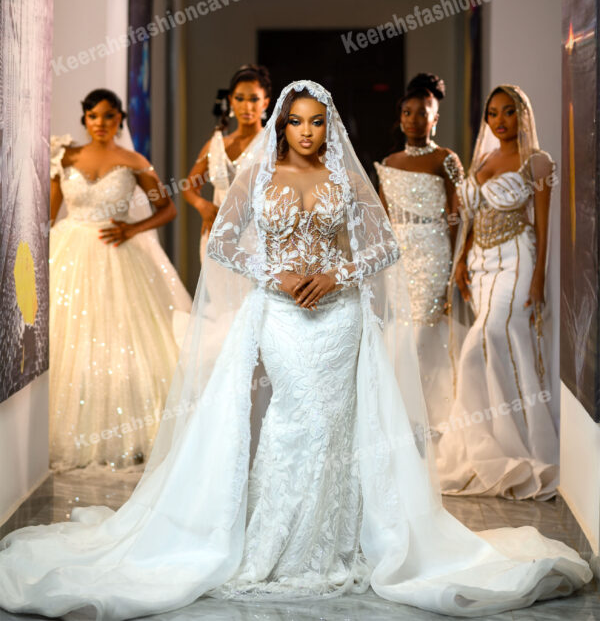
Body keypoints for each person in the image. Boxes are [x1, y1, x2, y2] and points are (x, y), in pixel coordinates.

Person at [0, 81, 590, 619]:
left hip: (340, 316)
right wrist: (275, 274)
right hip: (280, 315)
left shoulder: (344, 179)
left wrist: (337, 275)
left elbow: (385, 247)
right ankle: (275, 540)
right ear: (282, 126)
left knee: (334, 424)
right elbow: (224, 243)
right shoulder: (260, 176)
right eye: (296, 122)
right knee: (292, 419)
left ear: (329, 126)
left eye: (317, 122)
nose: (307, 131)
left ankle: (334, 540)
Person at [48, 89, 192, 471]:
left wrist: (132, 229)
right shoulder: (64, 157)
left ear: (120, 119)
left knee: (121, 340)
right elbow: (47, 215)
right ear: (84, 118)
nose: (101, 123)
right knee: (68, 339)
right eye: (93, 116)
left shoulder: (134, 161)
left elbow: (168, 208)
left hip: (119, 253)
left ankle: (130, 434)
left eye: (109, 116)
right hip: (69, 253)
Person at [437, 85, 559, 500]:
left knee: (487, 337)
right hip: (481, 265)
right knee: (495, 346)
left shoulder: (537, 161)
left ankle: (525, 446)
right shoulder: (484, 160)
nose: (500, 120)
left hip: (517, 258)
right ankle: (490, 442)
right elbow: (473, 216)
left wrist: (539, 277)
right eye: (493, 113)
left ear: (523, 115)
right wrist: (461, 260)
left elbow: (542, 223)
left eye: (509, 112)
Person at [375, 73, 463, 436]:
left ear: (435, 118)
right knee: (401, 332)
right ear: (400, 117)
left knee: (423, 333)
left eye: (422, 113)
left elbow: (458, 215)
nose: (413, 119)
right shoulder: (390, 162)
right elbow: (383, 220)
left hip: (434, 253)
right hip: (400, 258)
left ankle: (432, 416)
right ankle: (404, 416)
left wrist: (457, 262)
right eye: (407, 112)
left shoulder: (446, 159)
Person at [182, 63, 271, 263]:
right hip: (216, 238)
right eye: (240, 98)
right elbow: (188, 187)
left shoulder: (275, 145)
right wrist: (202, 205)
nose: (246, 106)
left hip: (258, 241)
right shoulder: (215, 145)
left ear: (265, 102)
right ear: (230, 100)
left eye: (254, 99)